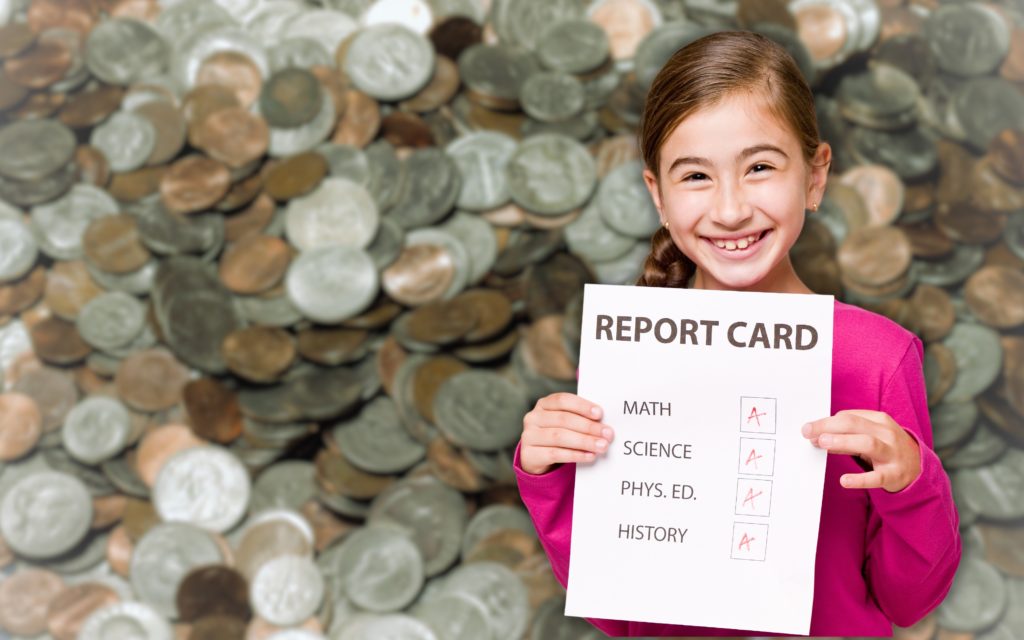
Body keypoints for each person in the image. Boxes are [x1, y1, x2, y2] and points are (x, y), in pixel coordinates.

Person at [514, 30, 962, 637]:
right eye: (696, 176)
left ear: (815, 175)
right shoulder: (632, 361)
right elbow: (616, 613)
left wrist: (912, 482)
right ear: (659, 196)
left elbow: (905, 601)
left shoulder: (877, 359)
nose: (729, 210)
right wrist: (549, 480)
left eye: (758, 167)